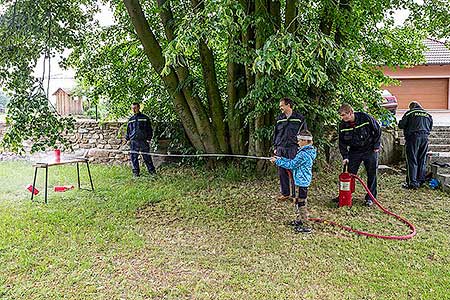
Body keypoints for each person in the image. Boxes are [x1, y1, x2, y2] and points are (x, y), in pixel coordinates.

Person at [271, 130, 317, 234]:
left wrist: (277, 161)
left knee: (301, 202)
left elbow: (292, 165)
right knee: (297, 200)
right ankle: (300, 220)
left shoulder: (303, 154)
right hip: (301, 181)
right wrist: (280, 158)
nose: (298, 142)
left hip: (302, 182)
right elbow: (292, 162)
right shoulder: (306, 151)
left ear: (305, 141)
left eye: (300, 140)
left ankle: (306, 226)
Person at [336, 104, 381, 206]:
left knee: (371, 173)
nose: (342, 118)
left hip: (370, 149)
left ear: (350, 113)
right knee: (350, 174)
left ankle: (370, 197)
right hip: (355, 151)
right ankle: (345, 195)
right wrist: (345, 156)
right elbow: (342, 142)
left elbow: (377, 130)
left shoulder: (365, 117)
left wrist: (376, 146)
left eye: (343, 115)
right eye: (341, 116)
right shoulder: (343, 125)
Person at [273, 97, 308, 201]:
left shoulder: (299, 118)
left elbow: (304, 134)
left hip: (293, 148)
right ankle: (285, 193)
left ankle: (294, 195)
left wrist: (302, 147)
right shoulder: (279, 118)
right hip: (281, 148)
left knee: (294, 171)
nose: (280, 108)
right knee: (282, 171)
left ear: (288, 105)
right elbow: (275, 133)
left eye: (282, 105)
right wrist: (275, 147)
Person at [398, 101, 433, 189]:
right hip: (425, 138)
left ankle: (412, 183)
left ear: (411, 107)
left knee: (412, 159)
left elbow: (401, 125)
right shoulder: (427, 114)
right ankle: (420, 181)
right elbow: (430, 127)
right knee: (422, 159)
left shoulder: (410, 112)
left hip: (413, 138)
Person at [125, 102, 156, 177]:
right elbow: (128, 130)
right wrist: (127, 139)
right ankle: (136, 173)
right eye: (132, 108)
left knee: (146, 157)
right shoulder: (131, 119)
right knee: (134, 157)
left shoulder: (145, 118)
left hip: (143, 141)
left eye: (135, 108)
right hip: (133, 141)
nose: (134, 110)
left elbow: (149, 129)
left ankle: (152, 172)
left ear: (139, 108)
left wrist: (149, 138)